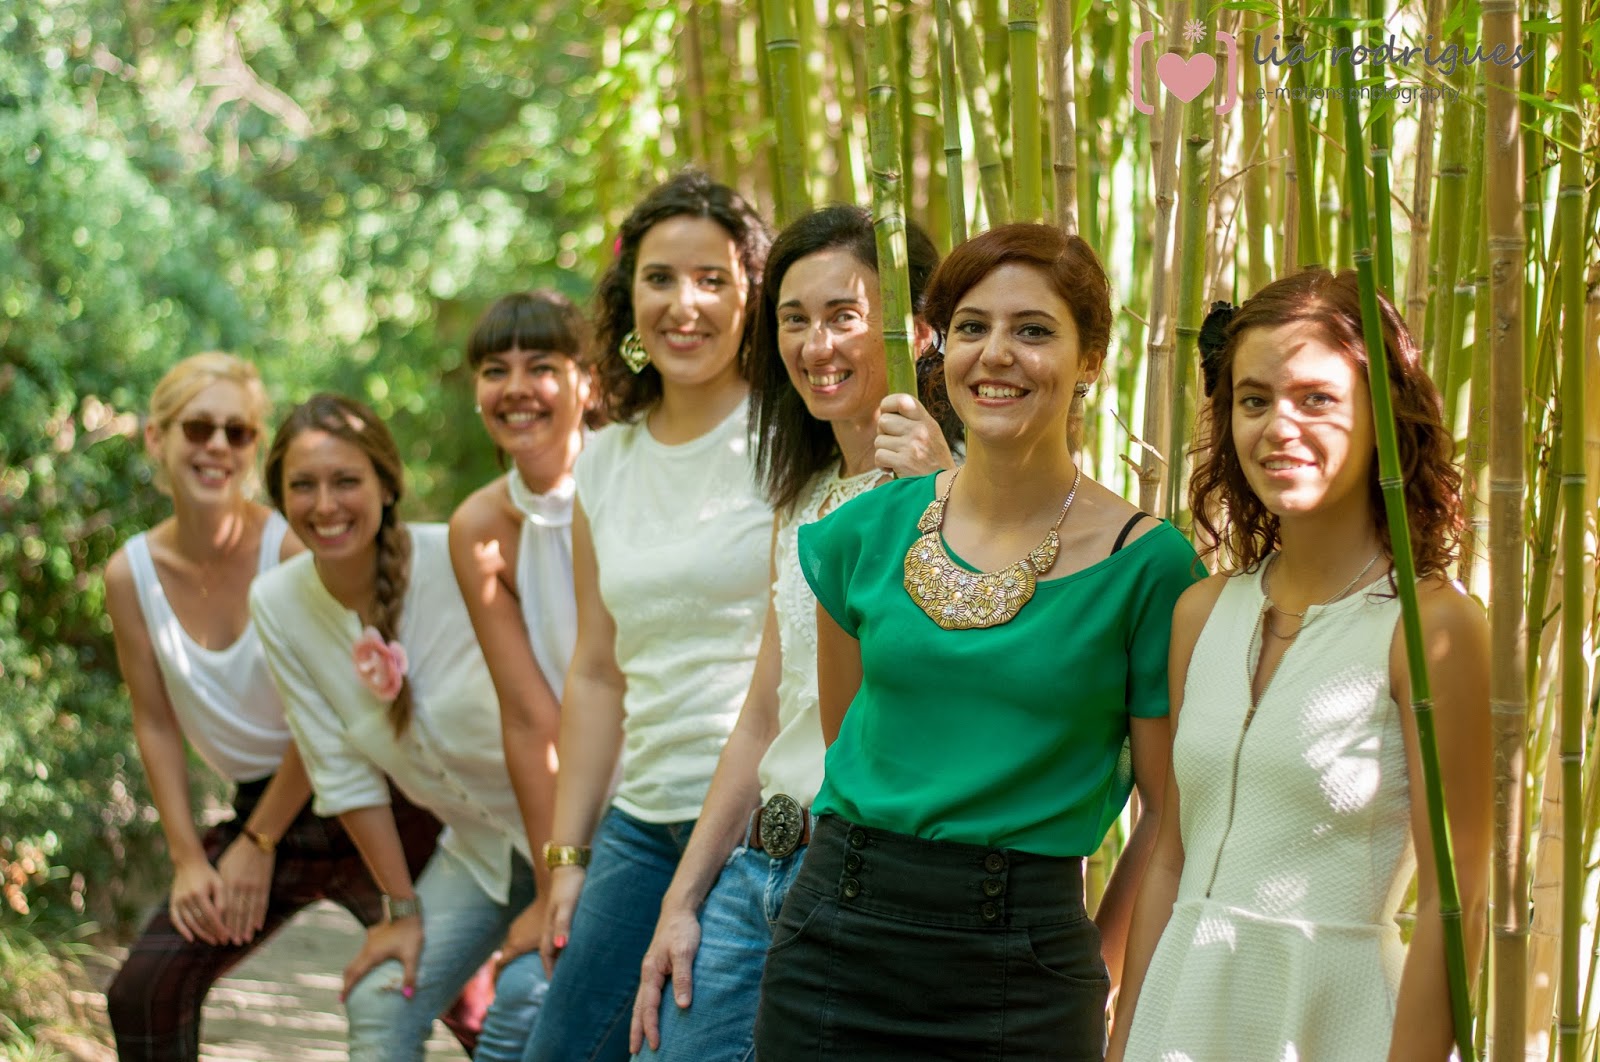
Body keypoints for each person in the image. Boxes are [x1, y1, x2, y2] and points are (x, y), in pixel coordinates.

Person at [753, 223, 1199, 1058]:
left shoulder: (1149, 567)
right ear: (941, 349)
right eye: (971, 327)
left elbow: (1168, 816)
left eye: (1032, 330)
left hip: (1024, 967)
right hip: (836, 942)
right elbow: (848, 747)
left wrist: (1099, 972)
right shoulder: (860, 533)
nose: (996, 354)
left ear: (1090, 358)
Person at [1107, 270, 1491, 1062]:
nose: (1279, 426)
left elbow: (1457, 904)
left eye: (1316, 398)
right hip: (1181, 1019)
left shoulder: (1431, 628)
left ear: (1385, 417)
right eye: (1254, 400)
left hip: (1337, 1025)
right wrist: (1124, 1043)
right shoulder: (1202, 612)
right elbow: (1171, 856)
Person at [629, 204, 957, 1059]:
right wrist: (681, 902)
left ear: (919, 330)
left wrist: (941, 496)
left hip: (866, 876)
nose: (817, 347)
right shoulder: (804, 498)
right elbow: (764, 717)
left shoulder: (965, 499)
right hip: (757, 868)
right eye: (793, 320)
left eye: (844, 317)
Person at [103, 354, 467, 1062]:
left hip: (373, 799)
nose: (217, 446)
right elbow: (155, 721)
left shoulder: (293, 546)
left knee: (481, 998)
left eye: (237, 432)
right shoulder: (130, 574)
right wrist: (189, 859)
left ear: (253, 447)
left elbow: (328, 712)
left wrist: (258, 843)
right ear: (156, 437)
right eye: (198, 428)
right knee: (145, 992)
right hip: (262, 810)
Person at [523, 171, 773, 1062]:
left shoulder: (792, 442)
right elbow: (597, 671)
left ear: (751, 294)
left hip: (757, 828)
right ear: (628, 297)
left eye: (712, 279)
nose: (684, 304)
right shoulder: (604, 460)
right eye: (660, 278)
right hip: (643, 818)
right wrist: (567, 858)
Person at [249, 393, 545, 1062]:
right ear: (280, 498)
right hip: (482, 850)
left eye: (346, 481)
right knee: (379, 999)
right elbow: (339, 769)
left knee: (518, 1013)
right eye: (303, 485)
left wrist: (563, 878)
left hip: (579, 836)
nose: (326, 504)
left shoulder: (464, 557)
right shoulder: (278, 603)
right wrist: (401, 911)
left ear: (386, 485)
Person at [447, 290, 595, 1046]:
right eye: (494, 370)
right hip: (578, 812)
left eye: (541, 366)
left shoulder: (628, 482)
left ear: (587, 382)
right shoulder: (479, 527)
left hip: (680, 788)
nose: (516, 389)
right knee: (520, 1001)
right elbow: (530, 718)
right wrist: (552, 882)